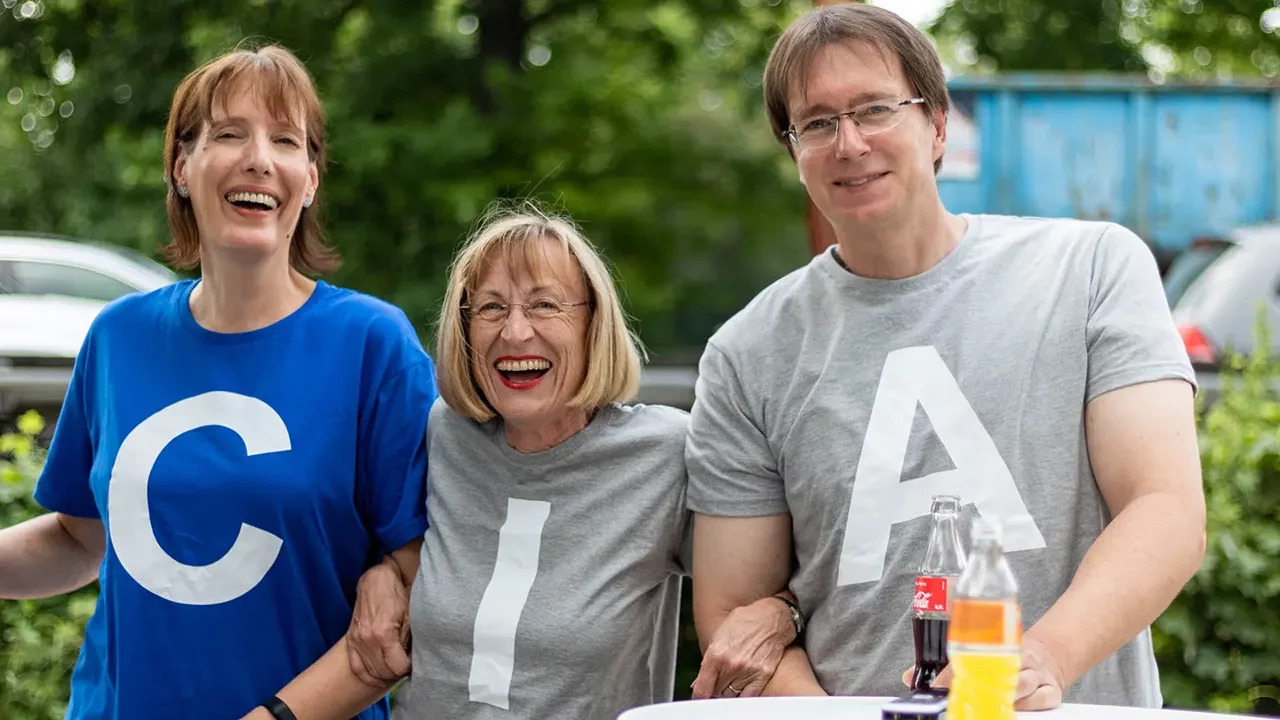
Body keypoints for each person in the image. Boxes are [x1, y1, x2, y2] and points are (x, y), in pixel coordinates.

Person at [685, 3, 1206, 711]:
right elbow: (732, 612)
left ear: (935, 124)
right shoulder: (747, 353)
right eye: (817, 122)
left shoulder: (1089, 270)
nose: (849, 143)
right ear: (794, 151)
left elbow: (1165, 509)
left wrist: (1042, 659)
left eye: (874, 109)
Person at [0, 44, 435, 720]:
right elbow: (79, 540)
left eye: (285, 140)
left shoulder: (373, 345)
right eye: (229, 134)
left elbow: (416, 579)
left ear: (311, 179)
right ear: (182, 167)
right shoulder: (119, 337)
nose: (259, 157)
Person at [346, 204, 798, 720]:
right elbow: (397, 542)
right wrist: (382, 572)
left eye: (545, 306)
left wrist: (784, 612)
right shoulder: (444, 433)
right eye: (491, 308)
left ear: (594, 325)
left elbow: (779, 575)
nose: (515, 333)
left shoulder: (666, 453)